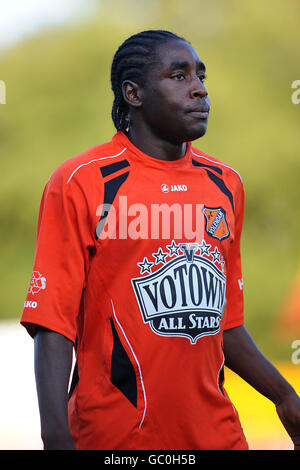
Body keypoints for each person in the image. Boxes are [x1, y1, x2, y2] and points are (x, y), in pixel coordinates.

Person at [21, 29, 300, 451]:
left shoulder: (225, 184)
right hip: (115, 438)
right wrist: (56, 436)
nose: (200, 90)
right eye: (178, 76)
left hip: (217, 434)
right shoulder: (82, 181)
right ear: (133, 93)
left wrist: (285, 397)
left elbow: (225, 323)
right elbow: (52, 324)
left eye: (201, 76)